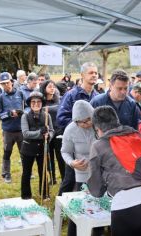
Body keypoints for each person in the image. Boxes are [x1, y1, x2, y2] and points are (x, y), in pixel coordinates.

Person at [88, 106, 141, 236]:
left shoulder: (98, 145)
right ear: (117, 121)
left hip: (127, 203)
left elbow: (96, 189)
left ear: (98, 129)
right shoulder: (137, 135)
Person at [56, 62, 99, 195]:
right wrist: (79, 124)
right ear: (82, 75)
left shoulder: (97, 96)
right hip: (75, 145)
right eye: (90, 73)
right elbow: (61, 118)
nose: (94, 75)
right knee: (69, 180)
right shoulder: (71, 95)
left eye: (96, 73)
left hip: (92, 145)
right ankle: (61, 206)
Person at [61, 100, 96, 236]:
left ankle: (97, 231)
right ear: (76, 121)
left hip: (100, 172)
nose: (86, 124)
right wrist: (72, 163)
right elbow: (65, 151)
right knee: (81, 206)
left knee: (99, 205)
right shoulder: (70, 130)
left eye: (89, 120)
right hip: (81, 173)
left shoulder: (100, 124)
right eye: (82, 122)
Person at [20, 91, 54, 200]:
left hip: (42, 148)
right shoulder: (25, 116)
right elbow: (26, 133)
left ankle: (44, 194)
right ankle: (26, 196)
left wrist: (49, 135)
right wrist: (40, 133)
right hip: (28, 148)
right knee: (26, 173)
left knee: (43, 171)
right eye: (33, 102)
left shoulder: (46, 115)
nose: (36, 104)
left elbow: (52, 130)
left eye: (38, 102)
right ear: (30, 103)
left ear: (42, 103)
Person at [0, 72, 24, 183]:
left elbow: (26, 107)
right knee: (7, 152)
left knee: (24, 152)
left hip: (21, 128)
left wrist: (22, 112)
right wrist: (9, 114)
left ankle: (27, 171)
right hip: (8, 130)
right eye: (3, 84)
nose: (5, 85)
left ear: (11, 82)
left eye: (7, 83)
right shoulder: (0, 98)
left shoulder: (20, 93)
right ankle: (6, 174)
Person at [40, 80, 64, 184]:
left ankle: (64, 178)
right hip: (48, 133)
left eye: (53, 86)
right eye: (50, 86)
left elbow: (59, 108)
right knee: (49, 157)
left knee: (60, 157)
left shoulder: (58, 99)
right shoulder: (41, 101)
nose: (52, 88)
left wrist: (45, 109)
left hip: (58, 131)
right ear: (44, 88)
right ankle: (52, 178)